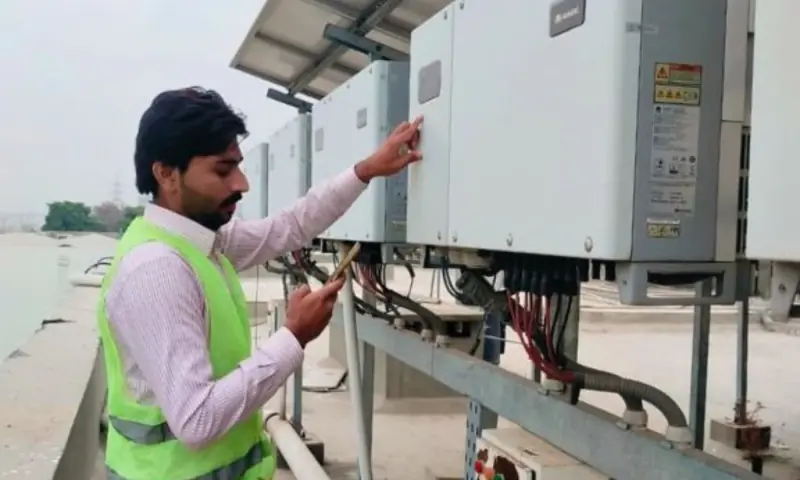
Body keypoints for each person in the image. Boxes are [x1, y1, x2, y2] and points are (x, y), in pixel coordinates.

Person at [97, 86, 422, 480]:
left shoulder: (202, 242)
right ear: (166, 173)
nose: (242, 183)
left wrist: (366, 170)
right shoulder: (158, 270)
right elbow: (197, 420)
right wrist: (293, 337)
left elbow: (290, 227)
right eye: (222, 170)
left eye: (238, 165)